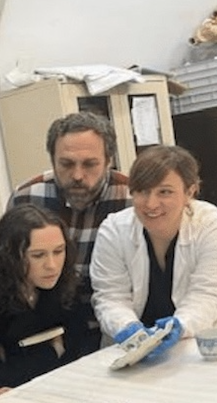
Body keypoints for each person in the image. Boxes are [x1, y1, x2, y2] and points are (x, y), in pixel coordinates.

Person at [90, 145, 217, 361]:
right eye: (142, 191)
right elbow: (110, 296)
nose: (151, 204)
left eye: (165, 192)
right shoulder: (114, 230)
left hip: (189, 346)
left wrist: (180, 325)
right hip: (125, 351)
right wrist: (127, 328)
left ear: (189, 191)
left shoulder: (216, 227)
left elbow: (209, 293)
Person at [8, 112, 128, 354]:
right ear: (52, 160)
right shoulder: (26, 197)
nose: (77, 175)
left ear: (109, 160)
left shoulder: (132, 199)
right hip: (48, 331)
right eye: (66, 164)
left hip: (118, 327)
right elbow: (9, 269)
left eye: (90, 164)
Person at [0, 205, 86, 401]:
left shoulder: (65, 282)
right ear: (10, 256)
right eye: (38, 255)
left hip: (61, 392)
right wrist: (52, 348)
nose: (52, 265)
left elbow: (76, 351)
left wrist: (15, 355)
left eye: (59, 251)